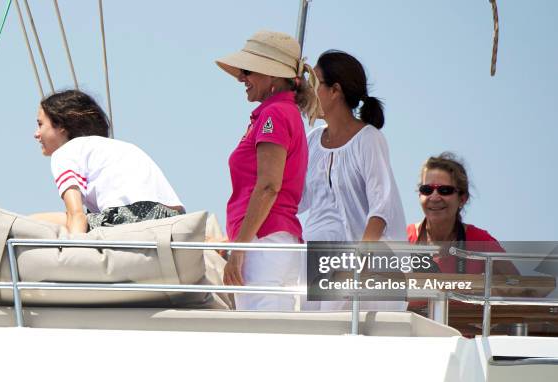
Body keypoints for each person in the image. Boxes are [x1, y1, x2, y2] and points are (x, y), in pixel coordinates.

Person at [215, 30, 322, 311]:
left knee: (259, 343)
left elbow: (268, 186)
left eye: (247, 71)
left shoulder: (272, 115)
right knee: (273, 340)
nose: (241, 78)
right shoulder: (283, 113)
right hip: (275, 243)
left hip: (262, 244)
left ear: (272, 75)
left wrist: (239, 249)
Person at [298, 50, 407, 311]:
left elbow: (381, 208)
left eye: (314, 83)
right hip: (317, 265)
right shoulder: (312, 140)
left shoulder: (369, 139)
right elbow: (297, 201)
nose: (307, 90)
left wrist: (358, 264)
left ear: (335, 91)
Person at [32, 89, 183, 233]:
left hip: (133, 221)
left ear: (61, 126)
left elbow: (76, 215)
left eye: (40, 124)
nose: (36, 134)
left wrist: (73, 253)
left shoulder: (64, 153)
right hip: (174, 222)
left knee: (32, 222)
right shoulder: (116, 147)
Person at [407, 152, 518, 275]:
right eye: (427, 190)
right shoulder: (402, 237)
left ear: (462, 199)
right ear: (419, 195)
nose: (434, 197)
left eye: (445, 190)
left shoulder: (479, 241)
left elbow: (522, 288)